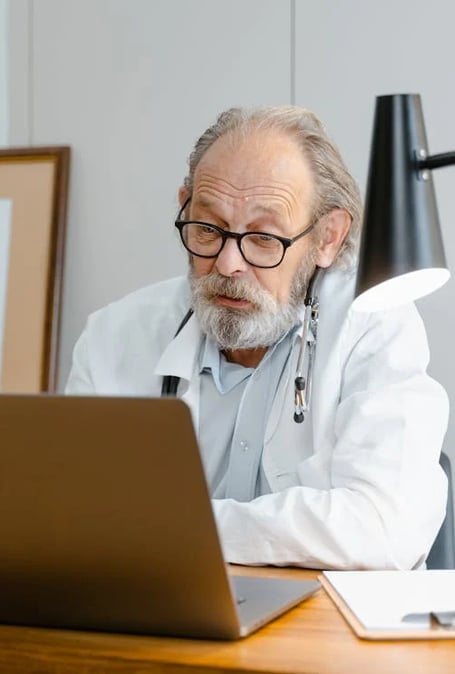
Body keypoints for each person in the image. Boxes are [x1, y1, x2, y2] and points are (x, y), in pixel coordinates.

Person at [66, 106, 449, 570]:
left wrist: (184, 530)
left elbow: (385, 527)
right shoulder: (114, 336)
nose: (228, 264)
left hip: (326, 629)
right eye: (208, 229)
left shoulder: (374, 322)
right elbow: (82, 523)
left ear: (328, 236)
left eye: (264, 239)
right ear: (185, 203)